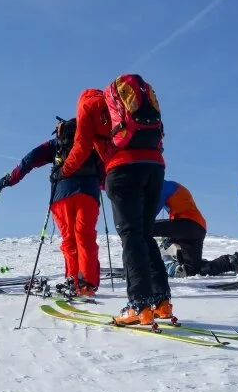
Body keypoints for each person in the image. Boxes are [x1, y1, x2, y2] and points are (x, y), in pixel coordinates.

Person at [59, 78, 169, 326]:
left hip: (123, 169)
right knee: (146, 234)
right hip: (155, 167)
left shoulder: (87, 105)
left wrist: (64, 171)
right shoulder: (127, 102)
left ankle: (138, 304)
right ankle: (162, 302)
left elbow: (81, 147)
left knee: (131, 236)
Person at [0, 117, 102, 296]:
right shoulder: (91, 142)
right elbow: (105, 166)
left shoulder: (56, 144)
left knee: (69, 239)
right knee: (85, 237)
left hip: (61, 195)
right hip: (88, 193)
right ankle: (86, 285)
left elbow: (30, 159)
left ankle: (72, 281)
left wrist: (11, 178)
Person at [152, 180, 238, 277]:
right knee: (191, 270)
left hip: (187, 224)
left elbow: (152, 211)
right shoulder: (171, 186)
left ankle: (145, 264)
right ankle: (231, 261)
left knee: (145, 227)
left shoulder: (162, 185)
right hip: (196, 227)